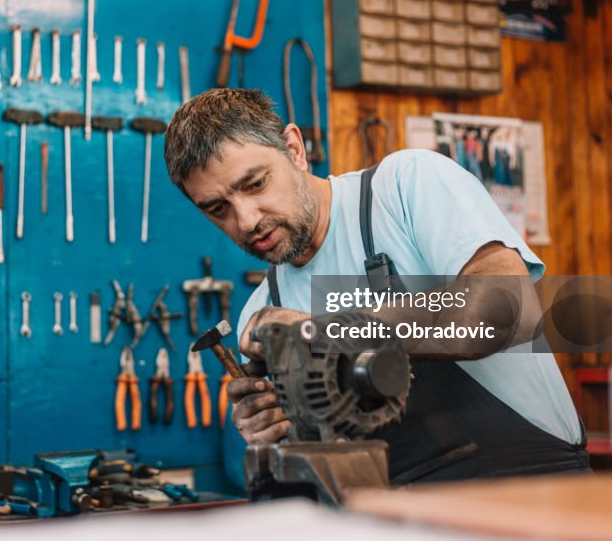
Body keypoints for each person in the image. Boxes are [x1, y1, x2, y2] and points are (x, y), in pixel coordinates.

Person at [164, 88, 589, 484]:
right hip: (401, 516)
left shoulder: (403, 189)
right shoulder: (265, 307)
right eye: (218, 209)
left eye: (255, 184)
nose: (247, 220)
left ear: (294, 149)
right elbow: (324, 458)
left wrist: (322, 330)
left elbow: (506, 310)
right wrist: (275, 426)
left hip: (532, 488)